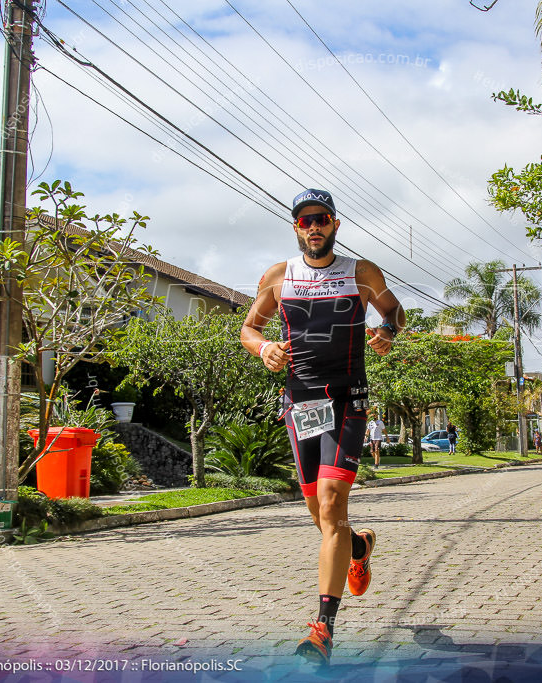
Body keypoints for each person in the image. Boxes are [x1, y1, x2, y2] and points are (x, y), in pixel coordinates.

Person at [240, 188, 405, 665]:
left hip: (347, 397)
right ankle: (359, 547)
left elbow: (393, 310)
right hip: (300, 402)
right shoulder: (278, 277)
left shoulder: (360, 272)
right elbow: (250, 328)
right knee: (322, 517)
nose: (314, 226)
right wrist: (263, 348)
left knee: (333, 504)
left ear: (335, 224)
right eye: (305, 219)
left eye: (323, 218)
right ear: (295, 227)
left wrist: (386, 331)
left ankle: (322, 631)